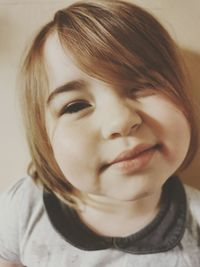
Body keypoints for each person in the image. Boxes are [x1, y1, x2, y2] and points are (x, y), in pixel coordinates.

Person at [0, 0, 200, 266]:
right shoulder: (23, 208)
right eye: (76, 106)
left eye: (145, 85)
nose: (120, 121)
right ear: (46, 143)